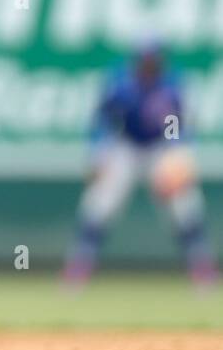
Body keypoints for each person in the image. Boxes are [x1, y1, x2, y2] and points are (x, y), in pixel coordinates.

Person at [63, 44, 218, 287]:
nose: (148, 65)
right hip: (126, 147)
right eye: (144, 60)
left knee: (185, 207)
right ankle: (78, 269)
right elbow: (103, 120)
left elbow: (181, 127)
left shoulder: (172, 86)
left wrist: (180, 157)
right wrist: (97, 155)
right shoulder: (121, 85)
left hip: (160, 147)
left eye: (153, 60)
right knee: (99, 204)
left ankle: (202, 271)